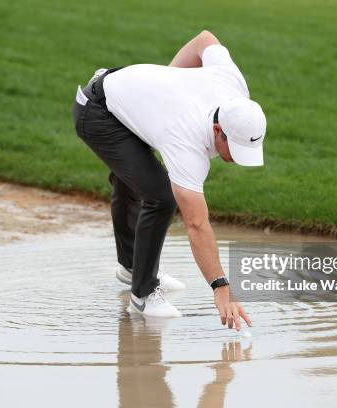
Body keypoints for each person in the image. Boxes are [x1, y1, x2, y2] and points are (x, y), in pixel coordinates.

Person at [72, 30, 265, 330]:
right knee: (160, 196)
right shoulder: (187, 144)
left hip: (120, 94)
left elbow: (204, 39)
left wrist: (168, 83)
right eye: (234, 149)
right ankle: (144, 294)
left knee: (135, 182)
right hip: (97, 113)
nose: (238, 159)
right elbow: (197, 224)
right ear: (218, 130)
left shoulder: (233, 85)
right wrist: (221, 288)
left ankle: (131, 269)